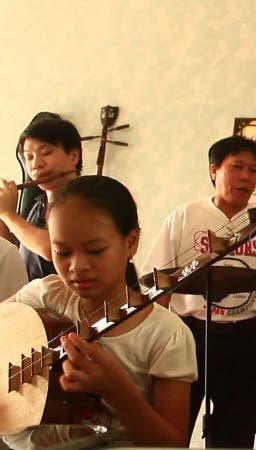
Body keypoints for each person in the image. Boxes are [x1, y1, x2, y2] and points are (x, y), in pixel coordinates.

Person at [4, 175, 197, 446]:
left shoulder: (166, 335)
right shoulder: (47, 295)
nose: (77, 266)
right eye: (62, 252)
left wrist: (116, 390)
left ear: (130, 243)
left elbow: (172, 443)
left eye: (94, 251)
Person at [143, 135, 256, 448]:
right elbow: (158, 282)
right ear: (214, 170)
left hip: (244, 337)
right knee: (168, 426)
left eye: (253, 170)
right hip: (188, 335)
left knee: (235, 432)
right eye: (237, 167)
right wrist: (154, 342)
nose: (246, 176)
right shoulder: (185, 217)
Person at [0, 118, 82, 281]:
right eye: (29, 157)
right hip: (35, 304)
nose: (36, 164)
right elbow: (13, 255)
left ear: (73, 156)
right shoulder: (38, 207)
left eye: (46, 153)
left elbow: (50, 249)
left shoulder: (85, 200)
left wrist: (8, 214)